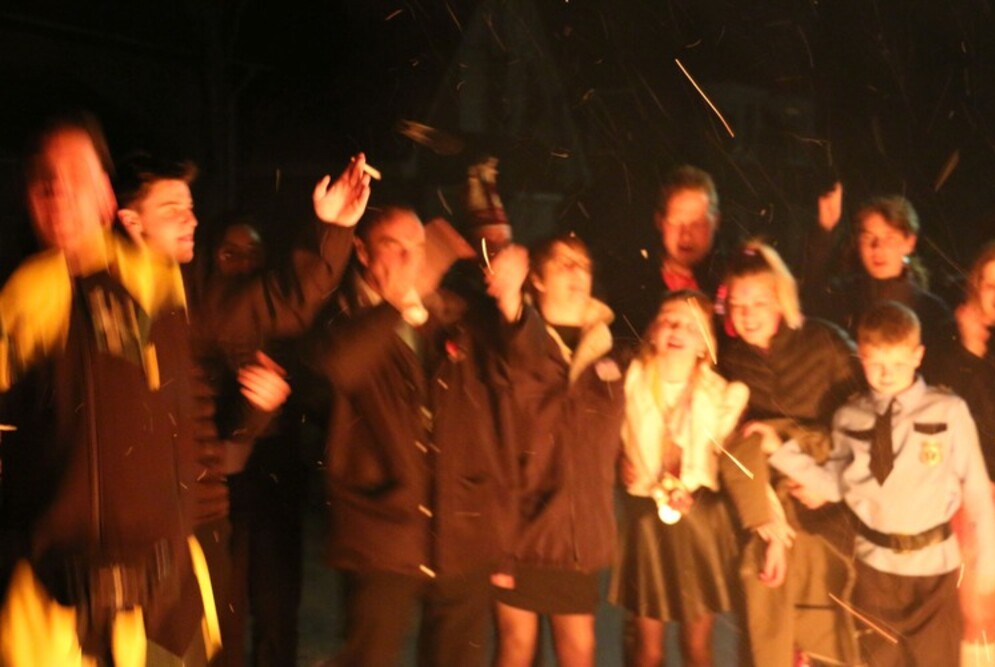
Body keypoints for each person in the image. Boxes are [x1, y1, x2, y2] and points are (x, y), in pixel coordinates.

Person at [113, 151, 369, 666]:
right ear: (130, 221)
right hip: (131, 526)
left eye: (191, 208)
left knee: (214, 637)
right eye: (172, 209)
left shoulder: (200, 299)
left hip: (203, 512)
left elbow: (286, 298)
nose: (190, 219)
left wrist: (331, 229)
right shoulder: (112, 298)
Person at [0, 113, 216, 664]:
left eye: (73, 175)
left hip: (163, 595)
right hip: (62, 599)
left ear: (103, 193)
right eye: (43, 180)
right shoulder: (24, 299)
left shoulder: (156, 284)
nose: (57, 191)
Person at [313, 205, 527, 666]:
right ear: (362, 252)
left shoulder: (450, 313)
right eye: (395, 248)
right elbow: (335, 369)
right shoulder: (339, 313)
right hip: (381, 532)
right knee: (369, 657)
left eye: (419, 248)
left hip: (460, 531)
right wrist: (395, 305)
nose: (412, 260)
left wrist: (512, 302)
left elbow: (517, 374)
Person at [765, 301, 995, 666]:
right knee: (879, 659)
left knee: (937, 659)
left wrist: (990, 561)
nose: (887, 374)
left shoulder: (948, 410)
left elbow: (976, 489)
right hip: (875, 571)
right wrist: (780, 452)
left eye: (898, 363)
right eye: (876, 363)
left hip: (934, 571)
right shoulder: (850, 417)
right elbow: (836, 485)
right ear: (861, 357)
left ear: (918, 355)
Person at [611, 290, 789, 667]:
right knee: (647, 650)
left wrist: (774, 530)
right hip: (646, 523)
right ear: (653, 331)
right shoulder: (630, 380)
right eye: (669, 320)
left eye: (691, 327)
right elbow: (603, 434)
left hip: (701, 522)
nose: (677, 329)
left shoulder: (721, 395)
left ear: (704, 345)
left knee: (697, 648)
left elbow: (744, 467)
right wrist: (616, 461)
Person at [719, 241, 863, 666]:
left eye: (759, 302)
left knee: (830, 630)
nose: (748, 314)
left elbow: (863, 423)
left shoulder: (823, 341)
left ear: (780, 298)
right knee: (772, 632)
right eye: (738, 304)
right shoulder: (733, 362)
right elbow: (733, 445)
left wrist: (828, 483)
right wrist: (766, 518)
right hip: (773, 510)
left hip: (829, 507)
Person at [491, 234, 625, 667]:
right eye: (563, 262)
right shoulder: (514, 339)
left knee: (579, 650)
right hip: (520, 534)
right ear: (537, 279)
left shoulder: (609, 353)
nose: (576, 272)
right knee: (516, 648)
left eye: (583, 264)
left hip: (577, 539)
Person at [923, 239, 995, 665]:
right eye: (990, 284)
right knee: (978, 611)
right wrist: (969, 352)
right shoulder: (949, 337)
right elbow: (944, 413)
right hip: (973, 492)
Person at [802, 194, 954, 352]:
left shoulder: (932, 311)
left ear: (909, 243)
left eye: (889, 238)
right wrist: (825, 230)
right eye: (868, 237)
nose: (877, 247)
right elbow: (812, 300)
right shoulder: (844, 296)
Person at [614, 166, 725, 339]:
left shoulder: (730, 281)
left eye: (697, 224)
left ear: (716, 222)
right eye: (676, 222)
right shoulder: (631, 285)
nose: (686, 235)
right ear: (660, 221)